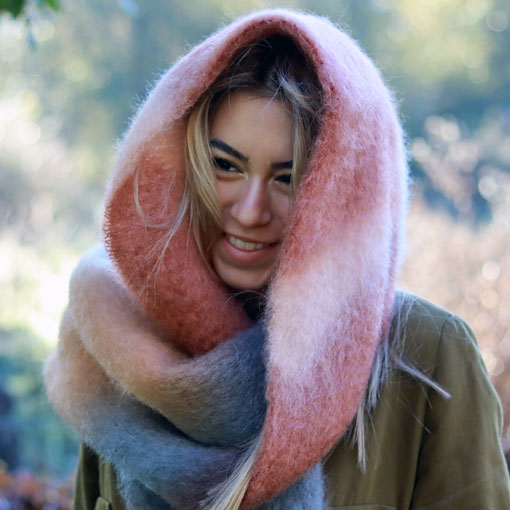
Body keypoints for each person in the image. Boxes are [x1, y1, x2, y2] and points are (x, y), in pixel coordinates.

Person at [44, 8, 510, 510]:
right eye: (226, 166)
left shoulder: (427, 355)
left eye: (290, 178)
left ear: (345, 194)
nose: (250, 211)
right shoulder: (118, 334)